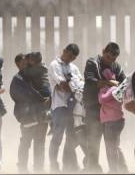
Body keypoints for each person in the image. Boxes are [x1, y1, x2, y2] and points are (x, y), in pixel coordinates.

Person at [82, 42, 126, 173]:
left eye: (113, 58)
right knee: (93, 145)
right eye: (108, 57)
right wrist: (109, 82)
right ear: (103, 51)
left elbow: (124, 85)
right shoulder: (92, 63)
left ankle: (122, 171)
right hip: (94, 110)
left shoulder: (116, 67)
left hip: (111, 114)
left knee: (113, 146)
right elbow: (90, 81)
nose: (110, 61)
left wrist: (117, 93)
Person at [9, 53, 51, 173]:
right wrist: (40, 99)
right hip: (28, 117)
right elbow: (20, 96)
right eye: (24, 62)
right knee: (25, 143)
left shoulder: (38, 75)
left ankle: (39, 170)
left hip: (42, 116)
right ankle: (22, 169)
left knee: (40, 144)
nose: (27, 64)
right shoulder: (17, 79)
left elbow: (47, 90)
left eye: (29, 62)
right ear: (18, 64)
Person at [48, 44, 82, 173]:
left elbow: (80, 83)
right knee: (58, 136)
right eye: (69, 55)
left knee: (72, 137)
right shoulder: (54, 65)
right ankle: (54, 166)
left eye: (73, 58)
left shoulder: (73, 67)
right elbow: (63, 86)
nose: (70, 59)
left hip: (74, 107)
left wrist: (71, 85)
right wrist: (73, 85)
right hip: (60, 105)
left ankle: (70, 166)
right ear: (64, 51)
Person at [98, 68, 128, 173]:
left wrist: (102, 89)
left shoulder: (112, 89)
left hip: (112, 121)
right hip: (116, 120)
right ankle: (123, 169)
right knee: (115, 147)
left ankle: (113, 170)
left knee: (110, 148)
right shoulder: (117, 88)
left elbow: (102, 99)